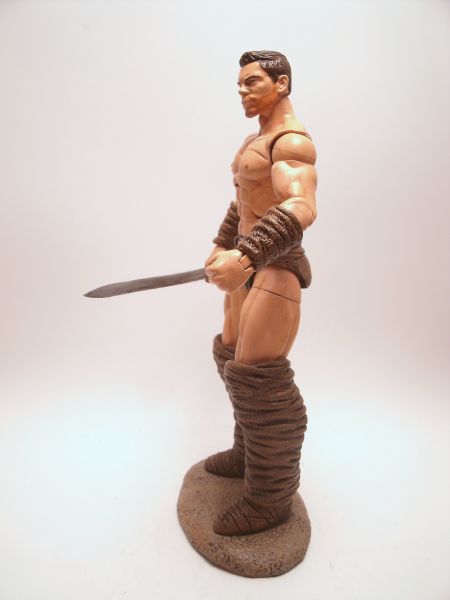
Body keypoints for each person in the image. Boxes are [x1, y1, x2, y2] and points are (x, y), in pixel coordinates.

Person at [204, 51, 318, 536]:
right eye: (240, 84)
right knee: (233, 355)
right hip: (245, 263)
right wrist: (221, 244)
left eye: (252, 82)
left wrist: (247, 256)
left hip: (274, 268)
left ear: (282, 83)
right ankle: (247, 453)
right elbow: (245, 201)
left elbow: (300, 206)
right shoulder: (254, 141)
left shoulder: (291, 142)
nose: (243, 91)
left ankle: (270, 498)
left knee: (260, 379)